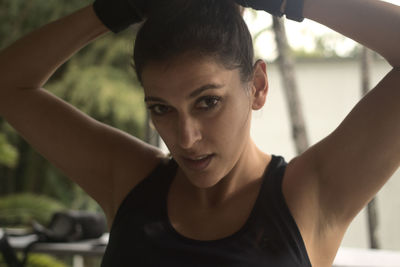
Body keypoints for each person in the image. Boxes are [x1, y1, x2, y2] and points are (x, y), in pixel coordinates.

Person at [0, 0, 398, 266]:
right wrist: (117, 7)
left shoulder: (309, 196)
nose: (185, 137)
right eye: (161, 108)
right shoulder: (129, 180)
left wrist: (287, 1)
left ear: (257, 86)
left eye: (208, 102)